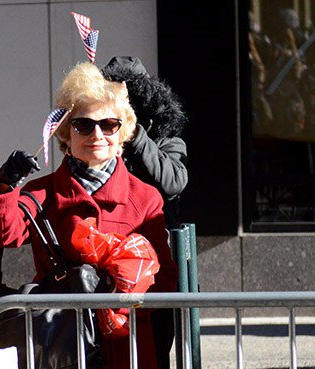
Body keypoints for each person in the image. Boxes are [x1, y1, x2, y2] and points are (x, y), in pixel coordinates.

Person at [0, 62, 178, 369]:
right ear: (65, 136)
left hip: (124, 344)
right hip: (60, 341)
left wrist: (119, 286)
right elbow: (3, 232)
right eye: (83, 125)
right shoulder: (41, 192)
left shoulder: (144, 196)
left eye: (109, 124)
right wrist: (5, 184)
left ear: (122, 132)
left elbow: (164, 281)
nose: (97, 134)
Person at [101, 56, 188, 369]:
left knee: (156, 347)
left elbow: (173, 181)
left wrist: (136, 136)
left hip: (154, 267)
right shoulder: (100, 137)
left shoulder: (166, 139)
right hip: (107, 260)